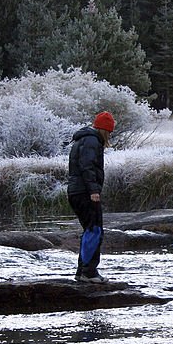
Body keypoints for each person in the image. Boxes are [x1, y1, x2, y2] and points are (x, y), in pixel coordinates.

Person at [67, 111, 115, 283]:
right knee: (95, 230)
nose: (109, 135)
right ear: (105, 130)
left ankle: (82, 271)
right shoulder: (92, 141)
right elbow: (86, 166)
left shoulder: (84, 139)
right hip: (85, 192)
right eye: (109, 132)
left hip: (76, 191)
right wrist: (93, 190)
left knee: (90, 230)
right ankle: (88, 272)